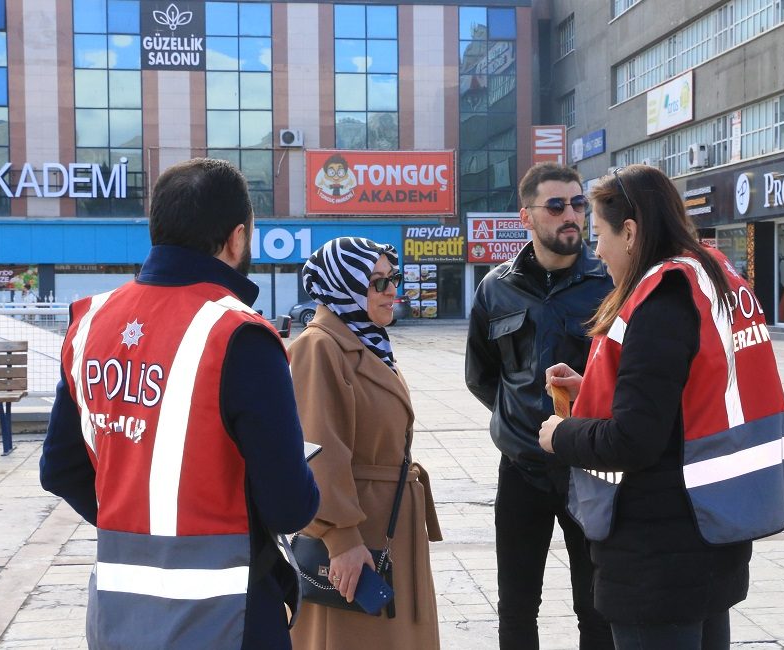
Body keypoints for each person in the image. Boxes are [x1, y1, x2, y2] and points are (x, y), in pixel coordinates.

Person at [40, 158, 319, 649]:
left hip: (119, 616)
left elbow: (60, 468)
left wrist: (137, 524)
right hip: (227, 616)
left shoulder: (89, 321)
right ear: (237, 238)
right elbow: (290, 505)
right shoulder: (240, 334)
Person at [537, 165, 784, 649]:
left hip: (658, 556)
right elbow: (686, 393)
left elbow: (634, 439)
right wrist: (590, 385)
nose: (596, 250)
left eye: (601, 235)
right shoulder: (709, 276)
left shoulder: (660, 300)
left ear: (630, 232)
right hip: (711, 535)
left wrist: (560, 435)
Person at [466, 162, 615, 650]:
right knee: (516, 606)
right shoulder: (495, 288)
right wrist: (521, 419)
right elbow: (482, 375)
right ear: (526, 217)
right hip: (522, 472)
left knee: (596, 607)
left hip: (590, 470)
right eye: (556, 206)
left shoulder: (611, 284)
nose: (571, 215)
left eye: (577, 204)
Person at [290, 237, 442, 650]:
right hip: (357, 536)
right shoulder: (320, 346)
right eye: (377, 282)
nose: (392, 289)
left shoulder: (369, 344)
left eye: (393, 278)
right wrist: (341, 540)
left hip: (388, 525)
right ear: (343, 285)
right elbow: (317, 450)